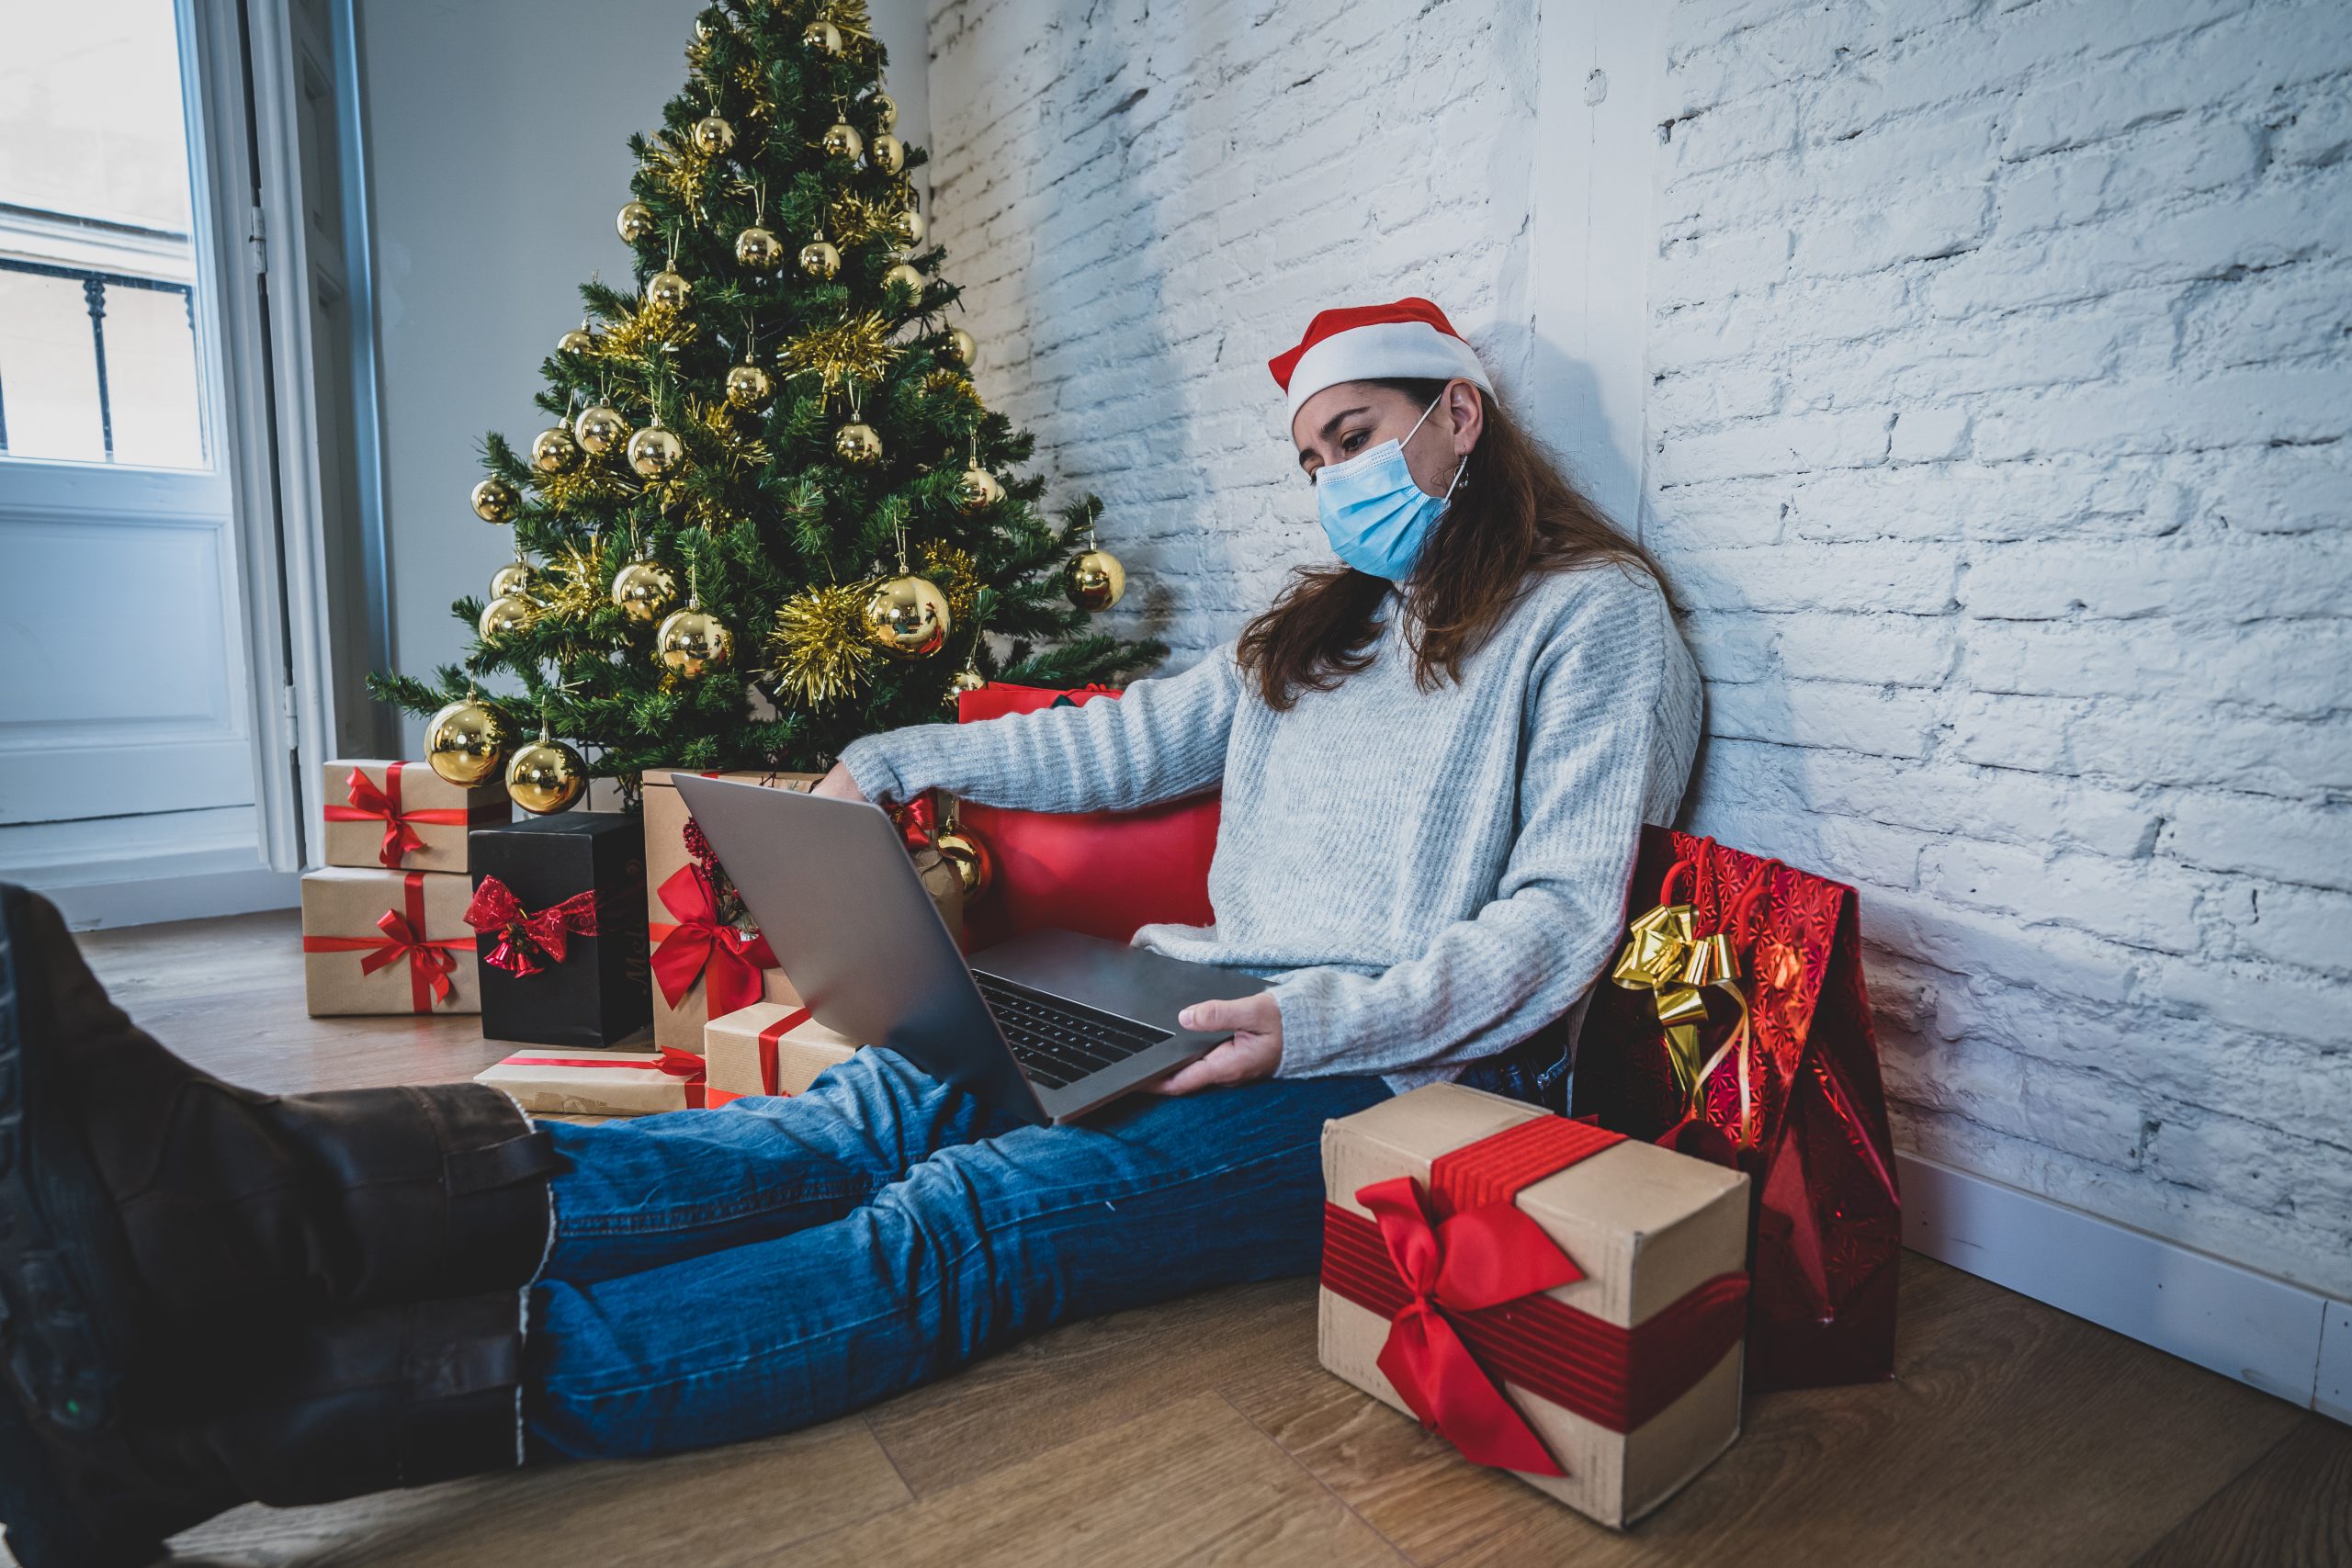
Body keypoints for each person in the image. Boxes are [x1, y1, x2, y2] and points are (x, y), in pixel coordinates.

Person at [0, 296, 1700, 1567]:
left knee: (962, 1219)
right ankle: (248, 1204)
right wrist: (893, 756)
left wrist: (1309, 1023)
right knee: (847, 1120)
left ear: (1459, 413)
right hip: (1185, 998)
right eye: (1313, 455)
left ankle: (204, 1427)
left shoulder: (1594, 621)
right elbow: (1111, 743)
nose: (1334, 478)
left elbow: (1562, 927)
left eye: (1356, 435)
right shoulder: (1318, 633)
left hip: (1391, 1072)